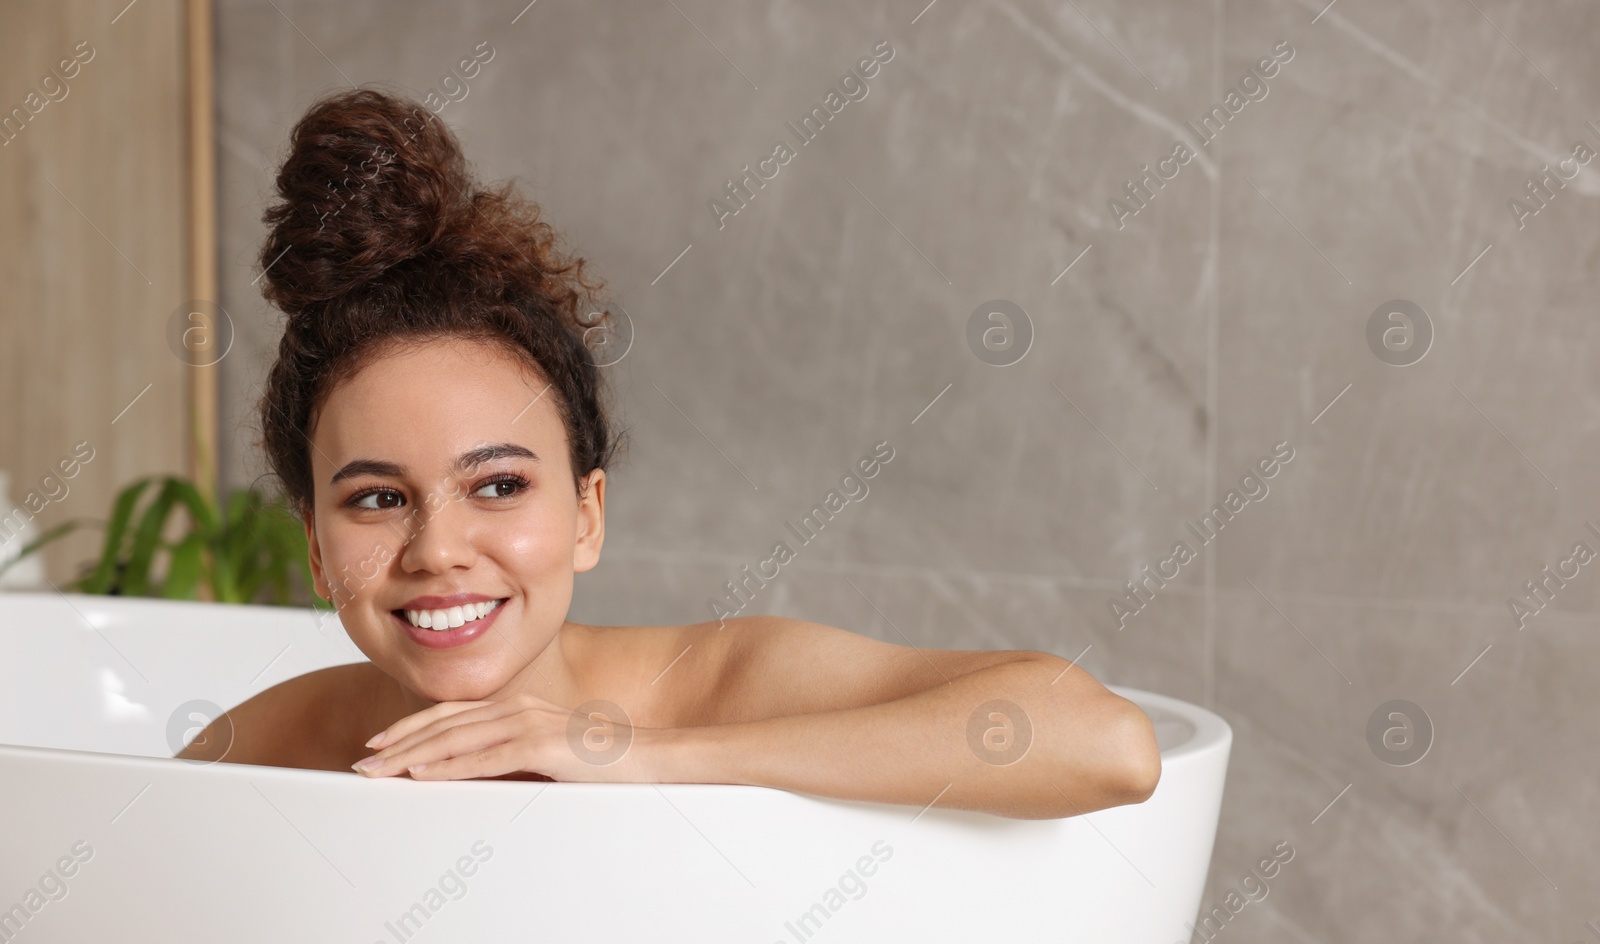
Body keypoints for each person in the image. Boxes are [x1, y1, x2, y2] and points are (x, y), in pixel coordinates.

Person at [179, 88, 1160, 820]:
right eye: (378, 500)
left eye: (499, 483)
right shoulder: (272, 748)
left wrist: (629, 753)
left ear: (587, 513)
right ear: (314, 546)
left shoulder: (718, 684)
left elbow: (1107, 743)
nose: (437, 548)